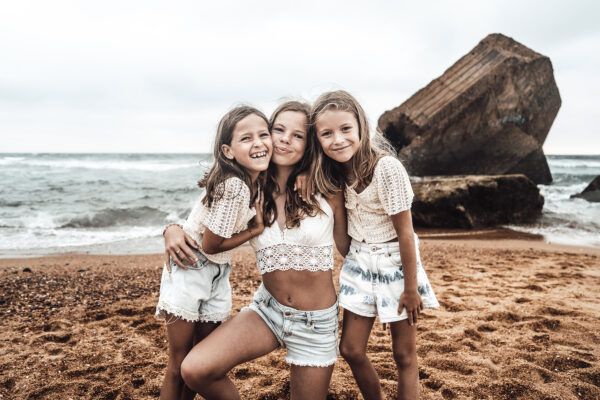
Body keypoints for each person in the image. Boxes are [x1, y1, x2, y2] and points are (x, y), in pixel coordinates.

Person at [163, 101, 349, 399]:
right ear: (268, 134)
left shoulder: (326, 189)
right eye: (279, 130)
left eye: (298, 135)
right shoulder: (249, 186)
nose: (287, 139)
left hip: (315, 325)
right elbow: (201, 216)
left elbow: (354, 245)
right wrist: (170, 230)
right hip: (267, 311)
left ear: (309, 145)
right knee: (194, 369)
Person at [302, 90, 439, 400]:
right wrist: (335, 202)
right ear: (318, 140)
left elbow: (406, 233)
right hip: (359, 262)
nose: (338, 139)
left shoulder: (386, 169)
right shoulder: (336, 174)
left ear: (361, 127)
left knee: (403, 354)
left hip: (395, 263)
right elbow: (345, 245)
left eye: (345, 129)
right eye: (327, 133)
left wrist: (410, 288)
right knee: (350, 348)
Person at [156, 105, 272, 400]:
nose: (258, 142)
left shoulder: (252, 181)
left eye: (263, 134)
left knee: (196, 361)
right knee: (179, 361)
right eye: (246, 138)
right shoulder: (235, 186)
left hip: (216, 273)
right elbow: (210, 244)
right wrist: (254, 230)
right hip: (191, 266)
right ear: (228, 151)